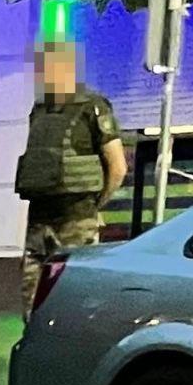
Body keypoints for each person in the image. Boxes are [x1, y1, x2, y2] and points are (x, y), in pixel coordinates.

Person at [15, 40, 127, 316]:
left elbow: (118, 167)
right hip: (39, 221)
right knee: (32, 303)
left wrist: (94, 206)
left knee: (73, 301)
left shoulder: (93, 106)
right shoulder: (40, 109)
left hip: (76, 219)